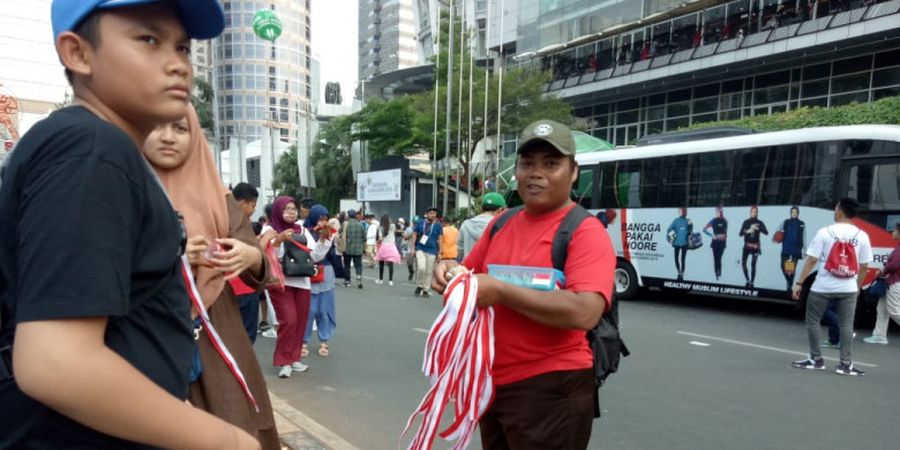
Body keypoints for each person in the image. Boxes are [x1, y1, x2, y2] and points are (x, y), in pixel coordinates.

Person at [0, 1, 260, 448]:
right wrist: (229, 442)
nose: (177, 63)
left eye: (182, 46)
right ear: (78, 53)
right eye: (148, 39)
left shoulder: (98, 148)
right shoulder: (91, 149)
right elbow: (55, 362)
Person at [432, 120, 615, 450]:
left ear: (573, 172)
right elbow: (469, 276)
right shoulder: (502, 223)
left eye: (551, 164)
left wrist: (500, 290)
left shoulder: (586, 232)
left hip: (552, 386)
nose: (536, 173)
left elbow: (585, 311)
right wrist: (448, 272)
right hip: (493, 382)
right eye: (527, 163)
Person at [142, 107, 280, 449]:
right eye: (154, 125)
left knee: (233, 419)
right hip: (149, 327)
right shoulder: (127, 191)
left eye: (180, 128)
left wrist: (251, 255)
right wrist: (168, 257)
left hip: (218, 326)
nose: (169, 136)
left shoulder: (220, 198)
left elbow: (257, 264)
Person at [791, 198, 872, 376]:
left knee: (813, 320)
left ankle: (816, 359)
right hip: (848, 288)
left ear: (840, 211)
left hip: (822, 287)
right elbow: (865, 266)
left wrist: (799, 283)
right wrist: (857, 287)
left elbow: (812, 259)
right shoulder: (862, 235)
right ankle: (845, 364)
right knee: (846, 325)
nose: (834, 211)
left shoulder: (825, 232)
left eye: (835, 208)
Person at [261, 197, 329, 378]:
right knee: (288, 321)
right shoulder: (270, 230)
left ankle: (295, 358)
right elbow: (268, 255)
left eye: (294, 209)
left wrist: (324, 240)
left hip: (302, 282)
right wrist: (279, 241)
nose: (291, 212)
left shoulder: (304, 230)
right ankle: (284, 361)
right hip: (281, 282)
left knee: (300, 322)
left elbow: (314, 256)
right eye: (287, 209)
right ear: (278, 211)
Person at [302, 205, 337, 358]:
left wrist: (329, 235)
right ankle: (303, 341)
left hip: (326, 271)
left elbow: (334, 253)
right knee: (309, 310)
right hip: (308, 272)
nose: (322, 221)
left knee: (325, 310)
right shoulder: (304, 231)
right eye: (320, 217)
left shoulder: (330, 232)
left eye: (325, 218)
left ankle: (324, 340)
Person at [231, 182, 263, 343]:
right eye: (253, 205)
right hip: (244, 288)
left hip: (224, 292)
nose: (253, 210)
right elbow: (256, 257)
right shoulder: (241, 226)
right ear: (243, 203)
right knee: (246, 339)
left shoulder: (216, 218)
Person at [863, 222, 900, 345]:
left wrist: (882, 270)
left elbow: (894, 265)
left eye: (895, 231)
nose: (892, 232)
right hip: (890, 282)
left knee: (894, 311)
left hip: (895, 283)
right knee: (882, 309)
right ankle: (879, 335)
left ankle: (879, 335)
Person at [459, 192, 507, 259]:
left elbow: (460, 251)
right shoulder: (500, 226)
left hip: (468, 267)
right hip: (491, 268)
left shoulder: (465, 225)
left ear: (481, 208)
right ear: (501, 210)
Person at [412, 207, 443, 297]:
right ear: (427, 214)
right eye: (431, 213)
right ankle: (419, 285)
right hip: (420, 248)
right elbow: (415, 234)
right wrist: (413, 247)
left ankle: (426, 289)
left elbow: (440, 239)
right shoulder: (420, 223)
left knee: (429, 271)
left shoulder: (438, 226)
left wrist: (440, 253)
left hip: (432, 250)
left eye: (434, 213)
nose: (433, 215)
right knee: (421, 268)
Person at [777, 206, 806, 292]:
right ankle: (789, 283)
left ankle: (789, 288)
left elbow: (804, 237)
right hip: (786, 247)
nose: (794, 214)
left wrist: (805, 249)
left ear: (798, 213)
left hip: (796, 248)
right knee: (783, 267)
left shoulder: (801, 223)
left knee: (791, 269)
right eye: (792, 212)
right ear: (790, 213)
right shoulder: (785, 222)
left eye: (795, 212)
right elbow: (778, 230)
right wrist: (778, 236)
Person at [739, 206, 768, 288]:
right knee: (743, 263)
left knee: (753, 264)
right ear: (750, 212)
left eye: (756, 212)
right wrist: (748, 231)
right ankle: (747, 280)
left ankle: (752, 282)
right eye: (753, 211)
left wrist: (757, 228)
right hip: (747, 246)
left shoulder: (760, 222)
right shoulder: (746, 222)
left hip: (755, 247)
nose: (754, 213)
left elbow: (766, 232)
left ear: (757, 213)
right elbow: (740, 233)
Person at [340, 209, 366, 289]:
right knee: (358, 265)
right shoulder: (360, 225)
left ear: (348, 215)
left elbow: (340, 232)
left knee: (347, 265)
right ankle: (359, 279)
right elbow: (364, 238)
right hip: (358, 248)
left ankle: (347, 281)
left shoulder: (346, 224)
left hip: (348, 248)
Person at [375, 214, 402, 285]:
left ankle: (380, 279)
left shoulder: (381, 227)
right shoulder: (393, 226)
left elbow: (380, 238)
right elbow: (396, 231)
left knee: (381, 263)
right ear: (388, 219)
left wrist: (378, 241)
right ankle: (390, 280)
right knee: (391, 264)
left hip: (384, 247)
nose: (391, 219)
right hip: (391, 246)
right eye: (389, 218)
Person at [667, 207, 693, 281]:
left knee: (683, 259)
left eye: (682, 211)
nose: (681, 212)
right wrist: (673, 236)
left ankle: (682, 274)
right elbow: (669, 229)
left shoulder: (688, 220)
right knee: (676, 258)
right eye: (680, 211)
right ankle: (679, 272)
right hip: (676, 243)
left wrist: (689, 230)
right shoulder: (676, 220)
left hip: (685, 243)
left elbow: (691, 229)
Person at [703, 207, 728, 281]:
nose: (718, 213)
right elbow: (704, 229)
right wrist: (711, 235)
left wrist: (725, 242)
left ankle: (719, 272)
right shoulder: (713, 220)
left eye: (719, 212)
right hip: (715, 242)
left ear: (721, 212)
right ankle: (716, 273)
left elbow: (726, 233)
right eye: (716, 212)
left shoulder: (725, 221)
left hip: (722, 242)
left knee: (719, 258)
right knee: (715, 258)